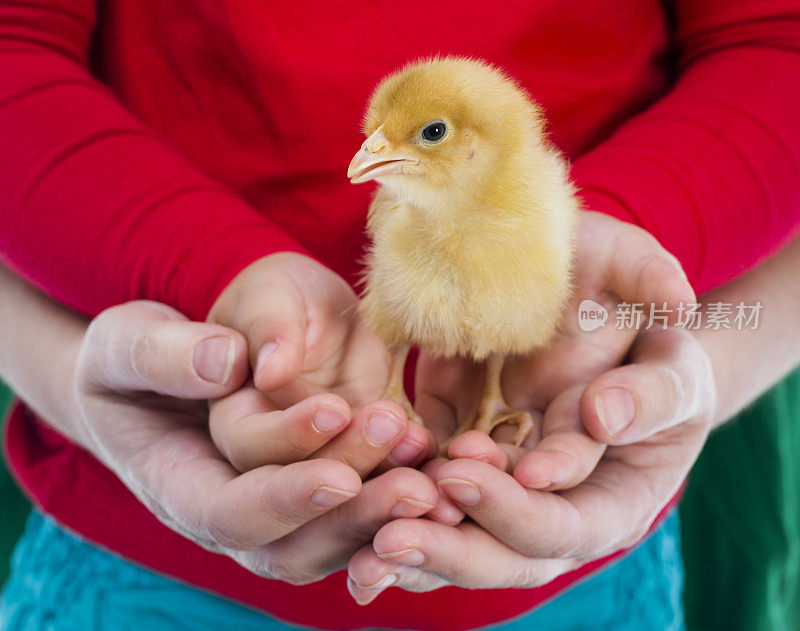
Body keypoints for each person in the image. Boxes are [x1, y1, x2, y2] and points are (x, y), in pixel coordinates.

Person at [1, 0, 800, 629]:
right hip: (137, 558)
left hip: (584, 574)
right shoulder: (406, 208)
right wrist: (210, 274)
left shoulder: (527, 210)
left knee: (499, 346)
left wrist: (613, 274)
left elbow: (777, 40)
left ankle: (484, 404)